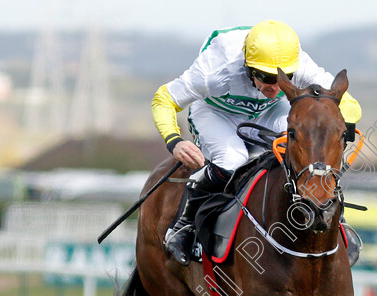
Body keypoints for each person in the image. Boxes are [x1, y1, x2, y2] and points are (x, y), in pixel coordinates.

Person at [152, 20, 363, 265]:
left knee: (305, 145)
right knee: (233, 160)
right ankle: (183, 226)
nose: (274, 86)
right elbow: (164, 99)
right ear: (248, 68)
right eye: (265, 77)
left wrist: (338, 130)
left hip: (269, 111)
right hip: (216, 113)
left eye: (281, 78)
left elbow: (348, 103)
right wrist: (174, 141)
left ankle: (339, 220)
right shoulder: (215, 71)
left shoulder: (300, 64)